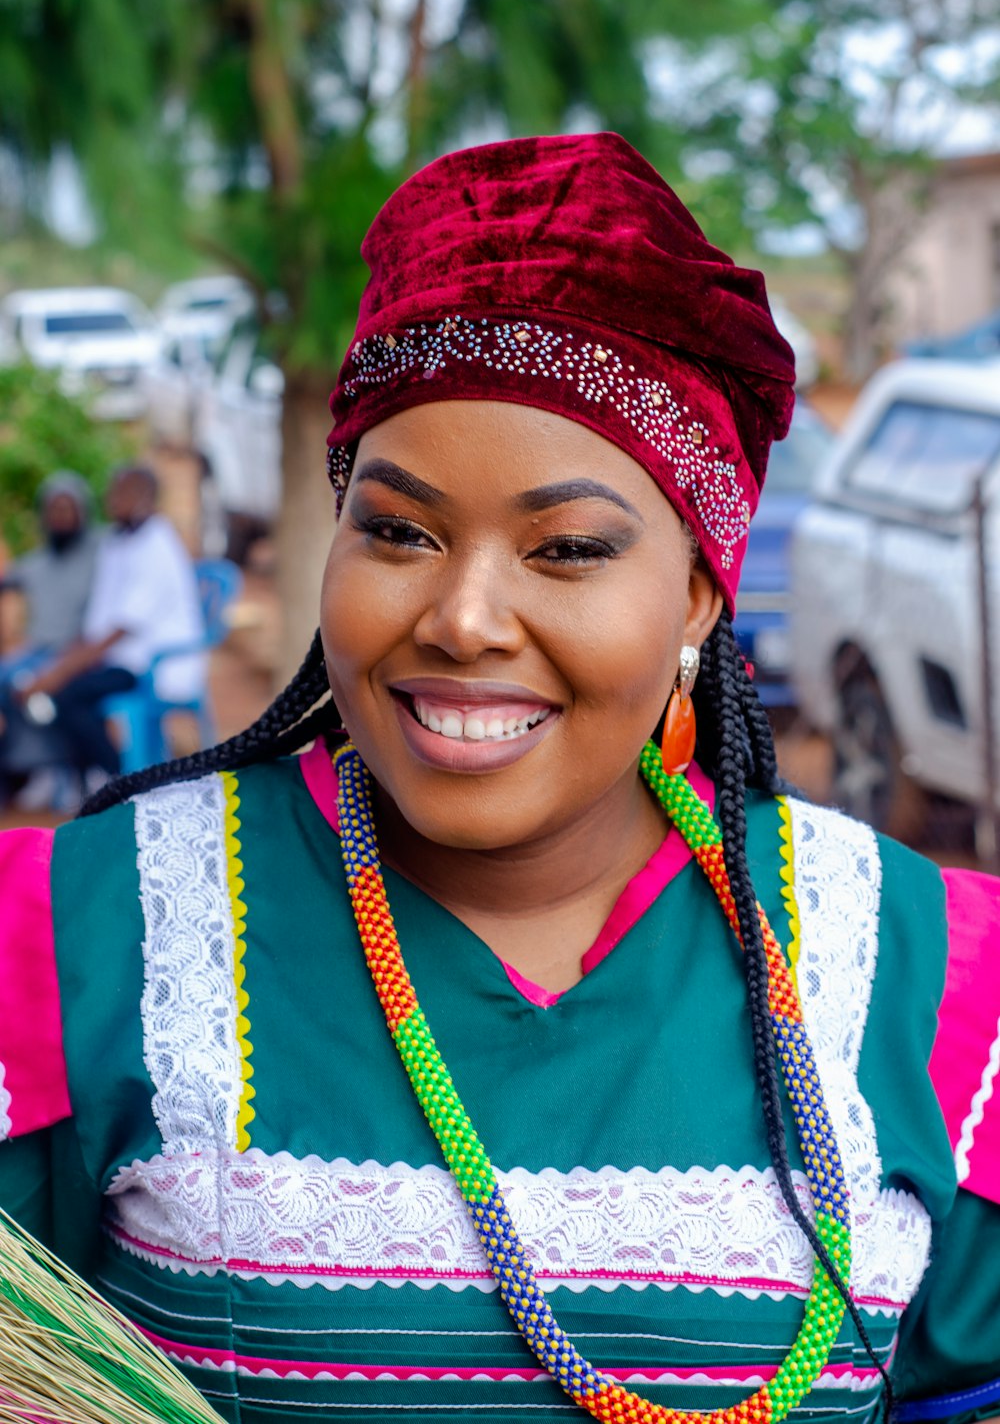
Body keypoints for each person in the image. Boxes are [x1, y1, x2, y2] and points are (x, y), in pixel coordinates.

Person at [0, 133, 997, 1424]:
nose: (464, 617)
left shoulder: (930, 973)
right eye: (399, 530)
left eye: (568, 546)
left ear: (698, 590)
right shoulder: (89, 928)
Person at [11, 463, 206, 795]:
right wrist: (55, 665)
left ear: (146, 497)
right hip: (121, 659)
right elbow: (98, 626)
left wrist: (55, 675)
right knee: (55, 691)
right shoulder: (119, 542)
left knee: (66, 694)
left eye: (122, 493)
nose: (112, 500)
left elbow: (119, 630)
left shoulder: (156, 544)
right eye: (112, 492)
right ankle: (88, 780)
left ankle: (118, 780)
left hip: (152, 664)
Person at [0, 471, 101, 803]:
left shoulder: (98, 556)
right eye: (53, 509)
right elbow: (9, 580)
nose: (60, 517)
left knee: (35, 686)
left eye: (67, 508)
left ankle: (60, 770)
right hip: (37, 649)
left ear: (82, 512)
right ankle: (24, 768)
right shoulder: (37, 562)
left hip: (76, 652)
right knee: (7, 677)